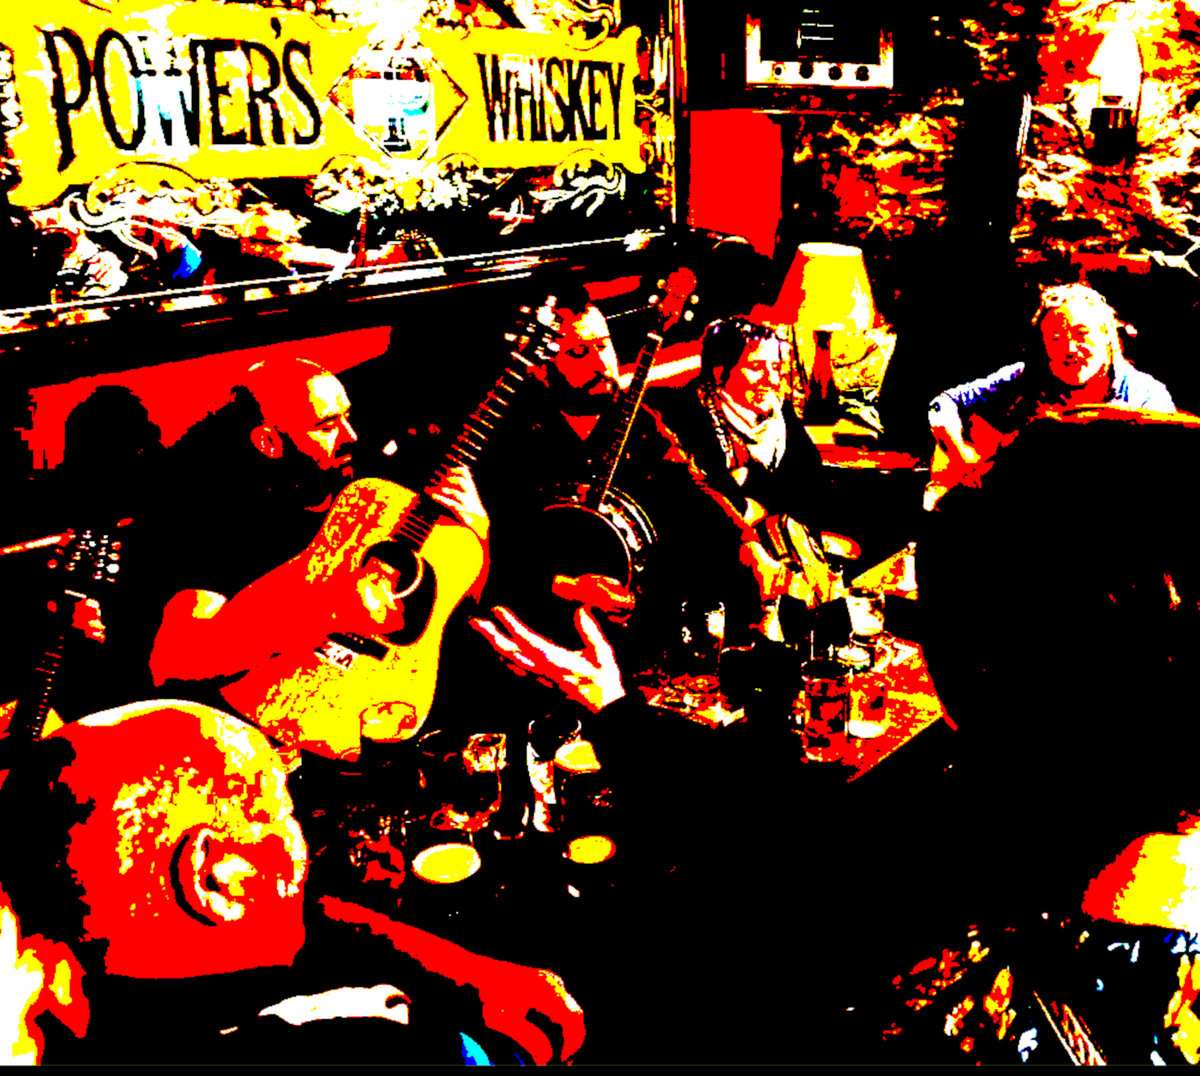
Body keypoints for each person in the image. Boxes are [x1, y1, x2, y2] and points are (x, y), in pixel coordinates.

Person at [0, 702, 584, 1063]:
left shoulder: (84, 985)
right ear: (223, 878)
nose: (303, 839)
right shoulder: (368, 1048)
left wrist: (461, 968)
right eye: (284, 811)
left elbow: (306, 912)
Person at [148, 355, 489, 758]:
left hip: (389, 717)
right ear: (269, 442)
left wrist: (478, 532)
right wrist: (323, 610)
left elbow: (456, 602)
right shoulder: (217, 526)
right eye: (326, 426)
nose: (351, 436)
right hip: (264, 734)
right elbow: (176, 660)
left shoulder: (376, 492)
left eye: (348, 417)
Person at [652, 317, 847, 640]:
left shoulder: (779, 413)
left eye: (776, 367)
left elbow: (811, 486)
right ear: (719, 372)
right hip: (718, 575)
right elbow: (710, 506)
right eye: (756, 367)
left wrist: (757, 497)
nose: (771, 379)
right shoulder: (688, 414)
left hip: (786, 558)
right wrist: (759, 502)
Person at [925, 282, 1175, 508]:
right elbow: (941, 404)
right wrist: (962, 456)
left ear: (1106, 337)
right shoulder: (1023, 378)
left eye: (1082, 334)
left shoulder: (1147, 399)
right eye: (1055, 339)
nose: (1070, 348)